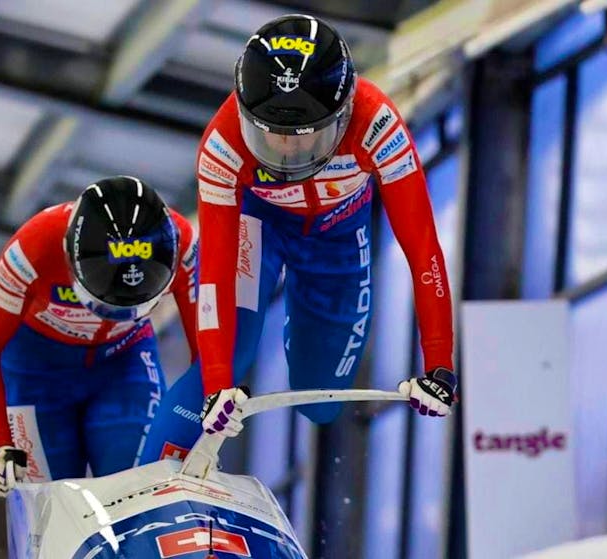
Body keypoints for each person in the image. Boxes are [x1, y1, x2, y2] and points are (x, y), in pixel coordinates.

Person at [140, 14, 456, 462]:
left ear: (344, 114)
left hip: (337, 241)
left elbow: (423, 250)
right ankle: (150, 479)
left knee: (319, 400)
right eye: (268, 133)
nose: (286, 150)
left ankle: (302, 325)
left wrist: (439, 366)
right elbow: (215, 276)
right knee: (230, 353)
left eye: (306, 136)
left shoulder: (378, 125)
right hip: (259, 226)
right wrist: (217, 385)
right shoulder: (222, 145)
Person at [0, 176, 198, 496]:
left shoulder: (183, 244)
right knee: (50, 502)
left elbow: (209, 348)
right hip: (35, 375)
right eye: (105, 302)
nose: (112, 313)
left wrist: (202, 417)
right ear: (69, 256)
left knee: (140, 488)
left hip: (124, 363)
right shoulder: (31, 248)